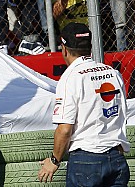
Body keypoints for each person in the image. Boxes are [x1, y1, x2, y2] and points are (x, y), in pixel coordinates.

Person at [37, 23, 130, 187]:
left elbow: (65, 129)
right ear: (90, 47)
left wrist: (54, 160)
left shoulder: (70, 78)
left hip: (86, 160)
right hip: (117, 158)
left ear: (64, 49)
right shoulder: (113, 74)